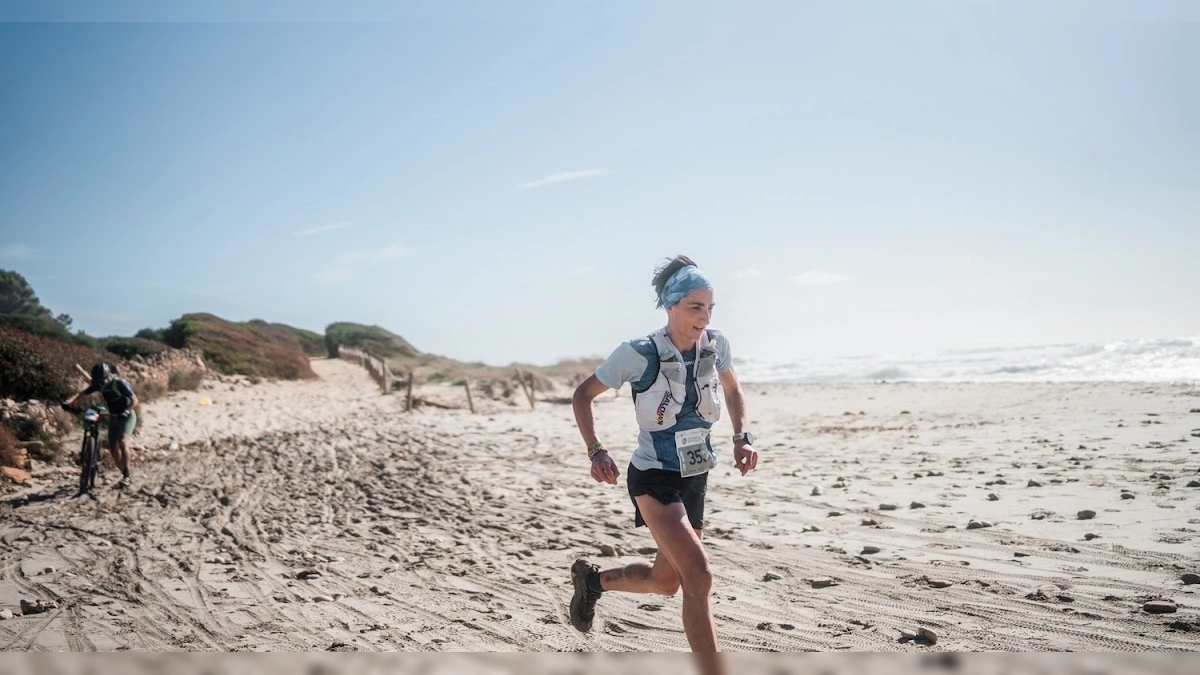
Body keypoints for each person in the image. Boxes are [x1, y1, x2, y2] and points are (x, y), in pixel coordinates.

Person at [569, 254, 759, 658]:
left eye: (709, 307)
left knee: (666, 582)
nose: (704, 317)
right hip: (653, 476)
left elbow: (731, 389)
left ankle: (592, 583)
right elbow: (582, 394)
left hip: (695, 475)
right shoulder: (638, 352)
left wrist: (741, 437)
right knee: (699, 575)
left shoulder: (717, 345)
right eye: (695, 307)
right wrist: (596, 450)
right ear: (670, 306)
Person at [64, 362, 138, 488]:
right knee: (113, 450)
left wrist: (126, 411)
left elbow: (135, 400)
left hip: (127, 416)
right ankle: (125, 475)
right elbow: (81, 393)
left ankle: (126, 476)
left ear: (108, 376)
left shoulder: (119, 383)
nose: (101, 384)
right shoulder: (98, 385)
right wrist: (68, 402)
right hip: (114, 416)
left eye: (102, 380)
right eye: (98, 381)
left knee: (123, 442)